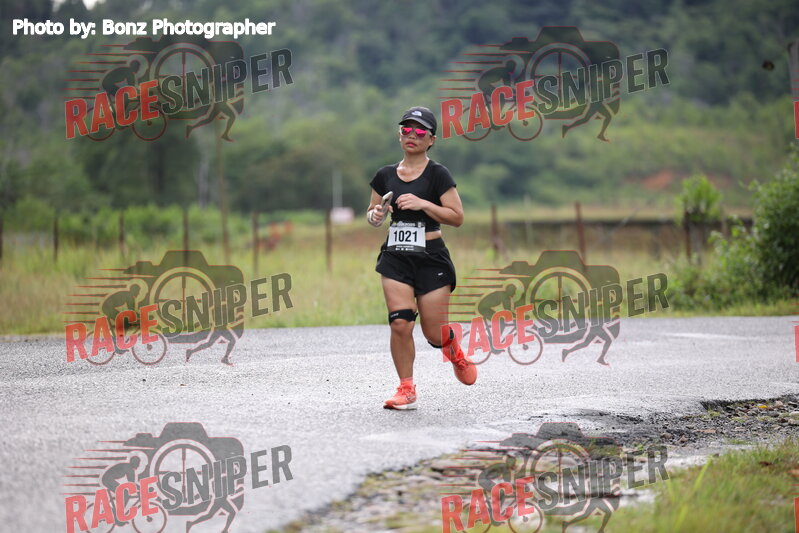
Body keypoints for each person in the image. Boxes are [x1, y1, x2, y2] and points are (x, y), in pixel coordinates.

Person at [367, 106, 477, 410]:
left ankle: (453, 351)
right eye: (406, 129)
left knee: (434, 333)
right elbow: (373, 212)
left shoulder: (438, 174)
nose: (412, 135)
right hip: (396, 257)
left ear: (431, 139)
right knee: (400, 323)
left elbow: (457, 217)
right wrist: (375, 215)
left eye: (419, 131)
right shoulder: (385, 175)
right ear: (399, 135)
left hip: (431, 258)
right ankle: (406, 388)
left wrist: (423, 204)